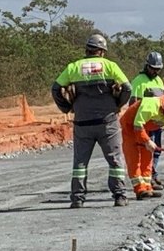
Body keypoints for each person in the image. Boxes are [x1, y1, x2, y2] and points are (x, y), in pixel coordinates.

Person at [51, 34, 132, 208]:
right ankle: (119, 196)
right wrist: (117, 104)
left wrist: (66, 107)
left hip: (82, 123)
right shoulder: (110, 66)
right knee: (115, 160)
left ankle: (78, 199)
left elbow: (56, 88)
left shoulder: (74, 67)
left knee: (80, 163)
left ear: (87, 49)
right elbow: (127, 88)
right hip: (107, 122)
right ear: (102, 51)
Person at [120, 91, 164, 200]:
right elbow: (137, 125)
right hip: (130, 127)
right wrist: (147, 141)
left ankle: (147, 187)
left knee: (147, 158)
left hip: (144, 130)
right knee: (134, 159)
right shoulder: (151, 105)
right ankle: (139, 189)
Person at [129, 51, 164, 189]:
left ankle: (153, 174)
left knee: (156, 150)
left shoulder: (158, 81)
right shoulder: (139, 81)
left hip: (157, 124)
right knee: (147, 151)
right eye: (153, 68)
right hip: (145, 124)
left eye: (158, 69)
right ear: (147, 66)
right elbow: (134, 104)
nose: (155, 71)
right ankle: (147, 179)